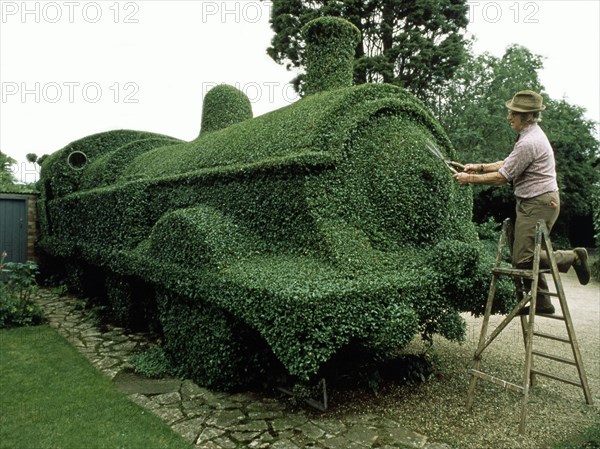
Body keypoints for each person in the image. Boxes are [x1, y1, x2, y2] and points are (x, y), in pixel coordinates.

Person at [453, 90, 591, 314]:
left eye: (514, 114)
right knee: (526, 255)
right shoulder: (529, 137)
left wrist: (469, 179)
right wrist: (478, 166)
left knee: (524, 258)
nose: (509, 117)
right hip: (533, 202)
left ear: (527, 116)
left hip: (539, 203)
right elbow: (508, 163)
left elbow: (503, 177)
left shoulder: (530, 142)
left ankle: (574, 257)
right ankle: (543, 302)